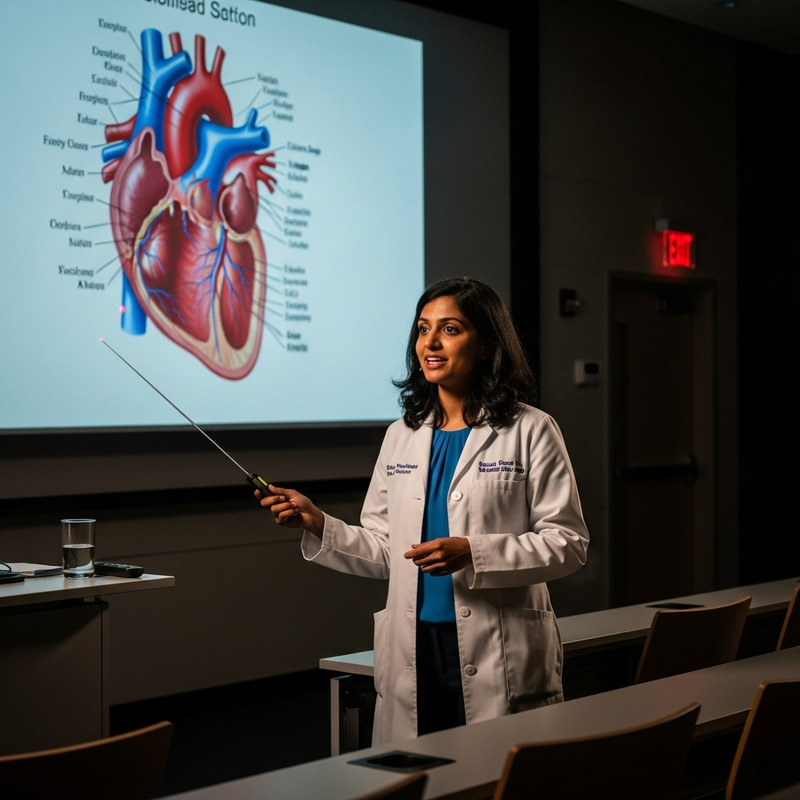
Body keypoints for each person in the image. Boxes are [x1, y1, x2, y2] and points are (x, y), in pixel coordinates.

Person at [257, 277, 589, 744]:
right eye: (423, 329)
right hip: (415, 646)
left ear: (486, 345)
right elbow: (386, 550)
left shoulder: (531, 429)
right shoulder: (402, 435)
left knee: (495, 769)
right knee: (418, 771)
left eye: (450, 329)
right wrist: (318, 523)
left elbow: (568, 543)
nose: (430, 343)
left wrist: (474, 552)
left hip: (498, 647)